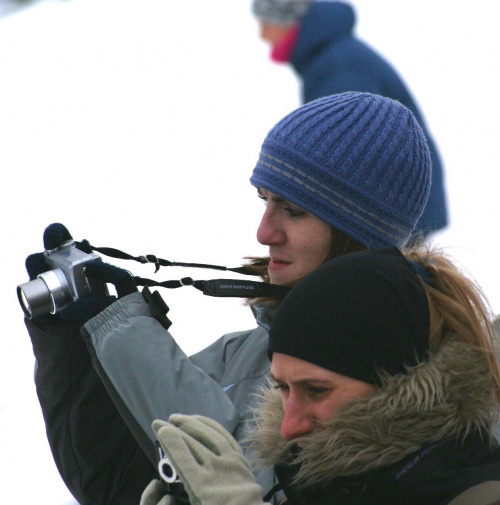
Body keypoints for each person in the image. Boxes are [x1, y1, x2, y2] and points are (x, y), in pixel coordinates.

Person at [22, 92, 432, 505]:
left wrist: (128, 339)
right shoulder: (239, 355)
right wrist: (76, 349)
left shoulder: (417, 386)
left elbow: (254, 487)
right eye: (264, 200)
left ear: (358, 234)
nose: (264, 232)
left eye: (292, 210)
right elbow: (117, 484)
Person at [144, 246, 500, 505]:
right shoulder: (316, 488)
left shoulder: (482, 493)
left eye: (316, 390)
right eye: (282, 388)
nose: (288, 427)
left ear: (399, 387)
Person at [251, 0, 448, 236]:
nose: (262, 34)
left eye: (265, 23)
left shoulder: (338, 65)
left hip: (387, 210)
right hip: (392, 203)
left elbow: (347, 152)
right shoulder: (330, 56)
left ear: (287, 21)